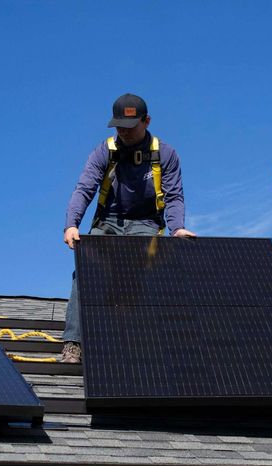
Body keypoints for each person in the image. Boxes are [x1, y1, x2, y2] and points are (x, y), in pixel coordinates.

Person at [59, 93, 196, 362]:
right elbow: (84, 188)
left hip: (145, 223)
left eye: (129, 127)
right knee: (85, 271)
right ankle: (73, 343)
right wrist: (71, 224)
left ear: (146, 121)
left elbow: (174, 196)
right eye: (119, 126)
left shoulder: (164, 154)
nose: (123, 132)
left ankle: (144, 341)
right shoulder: (104, 151)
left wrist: (177, 228)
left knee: (142, 270)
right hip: (108, 222)